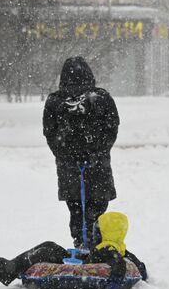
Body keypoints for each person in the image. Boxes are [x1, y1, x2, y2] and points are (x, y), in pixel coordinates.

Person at [42, 57, 120, 248]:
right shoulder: (102, 97)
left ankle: (80, 241)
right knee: (97, 206)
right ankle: (95, 242)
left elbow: (49, 132)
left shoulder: (55, 101)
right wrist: (97, 151)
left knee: (75, 207)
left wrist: (66, 154)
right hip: (97, 166)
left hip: (70, 169)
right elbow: (112, 127)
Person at [0, 212, 147, 289]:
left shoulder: (109, 250)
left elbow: (119, 264)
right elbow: (136, 262)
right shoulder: (117, 246)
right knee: (49, 245)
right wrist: (142, 270)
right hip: (79, 260)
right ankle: (12, 266)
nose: (94, 233)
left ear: (105, 232)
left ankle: (10, 271)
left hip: (77, 267)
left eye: (97, 230)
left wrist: (114, 285)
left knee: (44, 252)